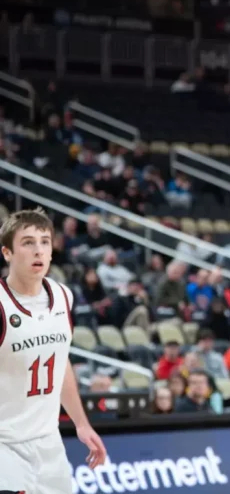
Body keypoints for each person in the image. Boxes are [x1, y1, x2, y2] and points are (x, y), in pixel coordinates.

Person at [0, 208, 106, 493]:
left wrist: (81, 424)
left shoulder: (62, 295)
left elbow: (59, 363)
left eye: (45, 241)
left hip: (49, 446)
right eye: (28, 242)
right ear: (7, 253)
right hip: (5, 446)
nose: (39, 250)